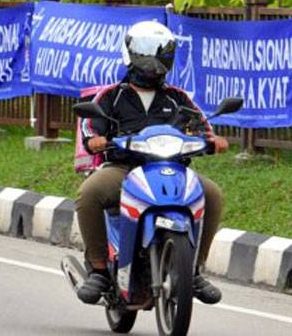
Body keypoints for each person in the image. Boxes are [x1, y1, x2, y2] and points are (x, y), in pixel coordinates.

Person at [75, 20, 229, 306]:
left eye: (159, 56)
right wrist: (96, 140)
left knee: (212, 194)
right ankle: (98, 270)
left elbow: (203, 129)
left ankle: (194, 270)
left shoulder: (178, 98)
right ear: (130, 54)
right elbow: (90, 129)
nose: (152, 65)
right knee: (90, 193)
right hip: (124, 169)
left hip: (173, 169)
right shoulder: (111, 96)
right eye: (145, 55)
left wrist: (213, 141)